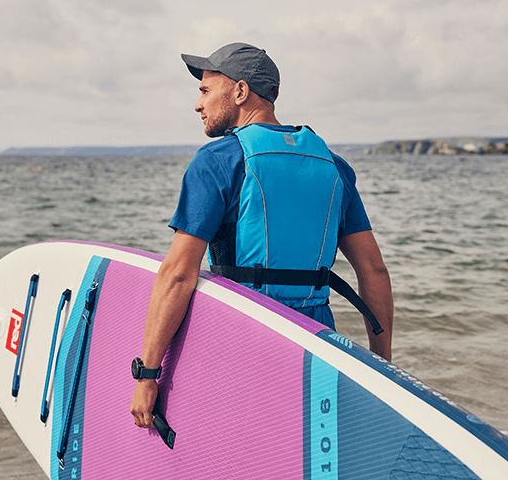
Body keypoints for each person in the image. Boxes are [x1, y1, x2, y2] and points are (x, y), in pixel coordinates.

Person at [130, 42, 394, 429]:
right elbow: (374, 271)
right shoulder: (334, 166)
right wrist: (381, 368)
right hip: (316, 343)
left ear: (239, 92)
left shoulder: (217, 161)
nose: (198, 104)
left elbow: (178, 274)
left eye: (205, 91)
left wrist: (147, 374)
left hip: (243, 336)